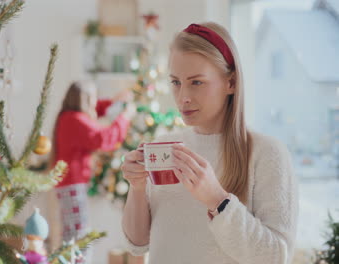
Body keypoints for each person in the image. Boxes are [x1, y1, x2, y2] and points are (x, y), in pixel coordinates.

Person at [121, 22, 298, 264]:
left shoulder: (267, 154)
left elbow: (277, 256)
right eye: (175, 82)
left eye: (196, 82)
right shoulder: (164, 148)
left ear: (231, 83)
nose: (183, 97)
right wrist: (137, 186)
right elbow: (138, 243)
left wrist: (217, 200)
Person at [51, 80, 135, 256]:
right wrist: (124, 117)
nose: (95, 103)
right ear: (85, 100)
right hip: (72, 186)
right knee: (78, 235)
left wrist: (114, 102)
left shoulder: (69, 116)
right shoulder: (74, 120)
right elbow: (103, 138)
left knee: (73, 234)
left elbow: (95, 110)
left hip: (69, 185)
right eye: (93, 98)